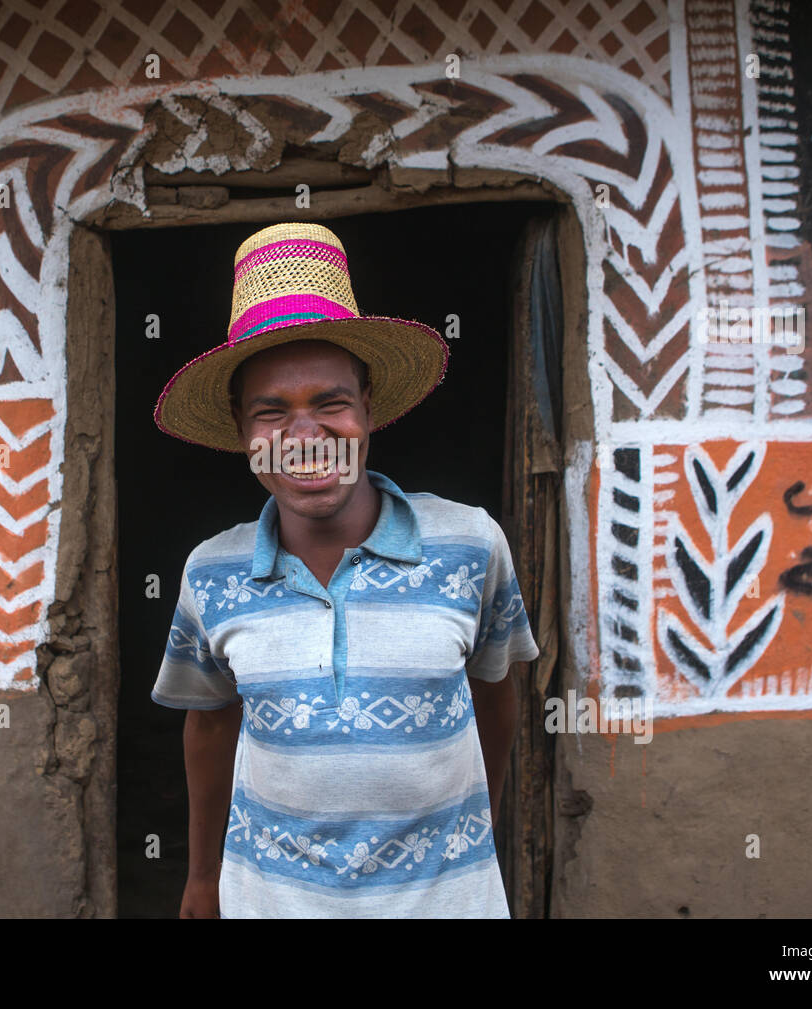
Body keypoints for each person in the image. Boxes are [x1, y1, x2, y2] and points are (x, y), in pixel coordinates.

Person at [151, 222, 539, 918]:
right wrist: (202, 878)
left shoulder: (471, 545)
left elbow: (495, 697)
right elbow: (210, 726)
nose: (305, 436)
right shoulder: (211, 574)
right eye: (272, 412)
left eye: (330, 402)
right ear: (241, 431)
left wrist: (476, 831)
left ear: (368, 408)